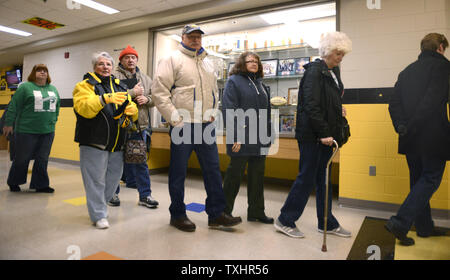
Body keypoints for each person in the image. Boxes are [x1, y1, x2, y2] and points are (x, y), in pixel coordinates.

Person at [152, 24, 242, 232]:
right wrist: (176, 119)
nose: (195, 40)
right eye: (191, 36)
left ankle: (216, 214)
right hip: (183, 124)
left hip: (205, 125)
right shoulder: (172, 59)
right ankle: (177, 214)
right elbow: (159, 92)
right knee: (178, 172)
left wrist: (212, 113)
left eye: (198, 37)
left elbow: (214, 93)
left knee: (212, 171)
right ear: (182, 37)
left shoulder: (207, 63)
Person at [274, 32, 352, 238]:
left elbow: (327, 101)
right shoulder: (315, 72)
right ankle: (285, 219)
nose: (340, 58)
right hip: (313, 136)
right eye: (337, 53)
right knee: (307, 178)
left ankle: (326, 222)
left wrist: (338, 110)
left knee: (323, 179)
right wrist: (324, 133)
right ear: (327, 51)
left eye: (343, 54)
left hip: (325, 134)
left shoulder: (332, 71)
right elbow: (311, 105)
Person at [386, 33, 450, 246]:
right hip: (433, 137)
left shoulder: (406, 72)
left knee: (418, 182)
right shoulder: (443, 68)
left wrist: (402, 127)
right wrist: (412, 125)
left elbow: (393, 104)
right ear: (440, 47)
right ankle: (400, 222)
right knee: (430, 179)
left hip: (409, 138)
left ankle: (424, 227)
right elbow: (432, 101)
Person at [73, 51, 138, 229]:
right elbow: (84, 108)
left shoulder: (120, 85)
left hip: (117, 143)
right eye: (101, 64)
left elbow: (129, 105)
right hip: (94, 141)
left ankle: (100, 205)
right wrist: (103, 99)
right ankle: (99, 215)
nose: (105, 67)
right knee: (95, 181)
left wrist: (133, 109)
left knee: (113, 179)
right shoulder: (85, 85)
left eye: (108, 64)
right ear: (94, 67)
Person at [222, 52, 274, 224]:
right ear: (241, 64)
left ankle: (256, 212)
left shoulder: (261, 84)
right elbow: (230, 110)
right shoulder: (233, 81)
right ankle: (223, 212)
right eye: (249, 61)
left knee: (258, 176)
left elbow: (267, 113)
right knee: (234, 176)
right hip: (241, 137)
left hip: (260, 138)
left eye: (256, 61)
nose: (254, 63)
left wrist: (269, 135)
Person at [109, 45, 159, 209]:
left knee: (140, 162)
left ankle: (145, 196)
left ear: (137, 60)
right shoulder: (112, 76)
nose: (130, 60)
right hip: (117, 127)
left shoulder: (146, 78)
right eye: (127, 57)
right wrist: (132, 92)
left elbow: (155, 97)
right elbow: (111, 98)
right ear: (121, 60)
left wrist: (147, 99)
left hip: (137, 128)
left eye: (133, 57)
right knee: (115, 162)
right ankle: (112, 193)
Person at [3, 64, 60, 193]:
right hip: (26, 130)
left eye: (45, 70)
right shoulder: (25, 87)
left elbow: (57, 107)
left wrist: (53, 121)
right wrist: (9, 123)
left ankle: (40, 185)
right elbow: (14, 106)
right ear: (33, 73)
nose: (42, 72)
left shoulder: (53, 89)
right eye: (39, 70)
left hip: (47, 131)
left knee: (42, 159)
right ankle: (14, 182)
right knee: (22, 158)